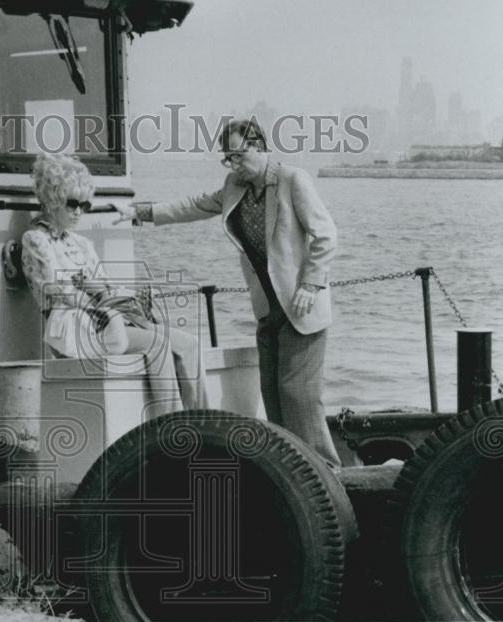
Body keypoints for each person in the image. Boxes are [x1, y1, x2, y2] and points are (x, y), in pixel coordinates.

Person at [113, 119, 341, 466]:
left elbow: (326, 235)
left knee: (299, 395)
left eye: (238, 155)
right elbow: (193, 205)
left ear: (258, 145)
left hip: (300, 305)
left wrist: (311, 283)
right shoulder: (234, 186)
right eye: (228, 158)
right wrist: (138, 212)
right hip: (267, 308)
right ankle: (295, 473)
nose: (233, 164)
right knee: (274, 397)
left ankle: (328, 472)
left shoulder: (292, 179)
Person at [21, 153, 208, 416]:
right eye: (72, 204)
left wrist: (115, 298)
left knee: (189, 344)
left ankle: (202, 421)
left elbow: (102, 286)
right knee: (158, 345)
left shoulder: (81, 243)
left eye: (84, 206)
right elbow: (56, 292)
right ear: (53, 201)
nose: (78, 212)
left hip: (106, 320)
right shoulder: (36, 240)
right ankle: (172, 428)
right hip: (76, 327)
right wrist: (99, 294)